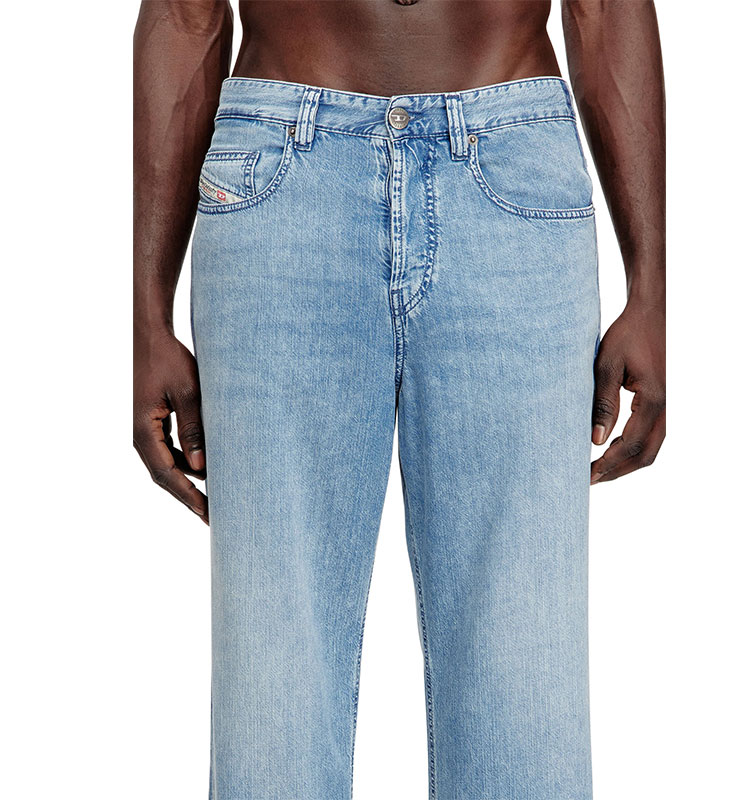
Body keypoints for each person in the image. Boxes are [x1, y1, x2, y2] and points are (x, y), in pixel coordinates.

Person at [133, 1, 665, 797]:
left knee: (524, 655)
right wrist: (147, 316)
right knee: (272, 658)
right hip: (281, 173)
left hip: (512, 168)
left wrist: (651, 289)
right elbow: (185, 13)